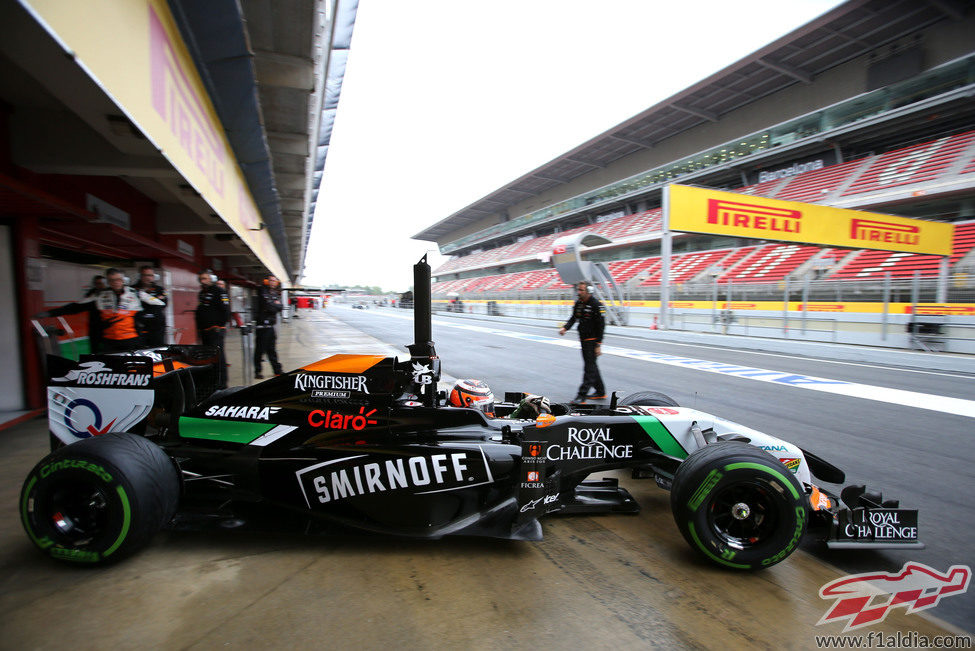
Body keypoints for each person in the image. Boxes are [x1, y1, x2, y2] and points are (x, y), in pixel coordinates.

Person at [35, 267, 164, 353]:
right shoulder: (100, 295)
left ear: (123, 280)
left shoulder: (135, 293)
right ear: (108, 281)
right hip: (109, 341)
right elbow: (76, 307)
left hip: (133, 340)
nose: (116, 283)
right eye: (112, 280)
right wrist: (50, 313)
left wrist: (143, 317)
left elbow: (159, 304)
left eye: (118, 279)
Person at [559, 281, 606, 403]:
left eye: (581, 290)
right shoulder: (578, 304)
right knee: (592, 366)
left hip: (592, 341)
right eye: (578, 290)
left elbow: (601, 326)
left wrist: (598, 345)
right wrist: (565, 328)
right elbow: (574, 318)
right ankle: (601, 392)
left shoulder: (596, 305)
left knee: (589, 368)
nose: (578, 292)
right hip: (583, 340)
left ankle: (581, 395)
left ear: (589, 291)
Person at [196, 270, 231, 389]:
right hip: (205, 331)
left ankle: (222, 384)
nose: (203, 281)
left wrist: (219, 325)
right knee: (208, 358)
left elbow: (226, 311)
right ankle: (212, 382)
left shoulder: (219, 291)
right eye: (201, 279)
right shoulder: (202, 293)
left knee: (219, 358)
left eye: (205, 278)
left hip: (215, 331)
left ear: (211, 279)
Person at [253, 274, 284, 379]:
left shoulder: (274, 293)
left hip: (271, 326)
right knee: (260, 350)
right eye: (271, 280)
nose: (273, 282)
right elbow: (269, 306)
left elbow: (280, 307)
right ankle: (258, 371)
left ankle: (277, 370)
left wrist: (274, 305)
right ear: (266, 281)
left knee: (272, 350)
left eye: (275, 281)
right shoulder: (262, 290)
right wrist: (275, 305)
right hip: (262, 326)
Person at [132, 265, 168, 347]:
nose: (148, 278)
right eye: (145, 275)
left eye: (150, 275)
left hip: (156, 328)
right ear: (140, 276)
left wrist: (145, 300)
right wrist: (153, 300)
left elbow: (163, 304)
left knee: (158, 350)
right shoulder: (132, 289)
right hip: (138, 327)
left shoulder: (160, 289)